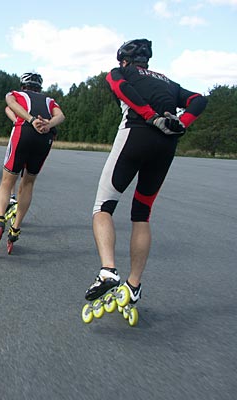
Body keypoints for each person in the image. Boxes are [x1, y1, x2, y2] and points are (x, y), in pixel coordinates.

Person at [84, 39, 208, 306]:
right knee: (142, 214)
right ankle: (134, 285)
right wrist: (181, 122)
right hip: (166, 144)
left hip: (136, 134)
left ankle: (108, 271)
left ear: (124, 60)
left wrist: (150, 116)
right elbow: (199, 99)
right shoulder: (168, 82)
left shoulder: (121, 71)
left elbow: (121, 87)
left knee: (103, 207)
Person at [0, 72, 65, 245]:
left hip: (24, 131)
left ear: (23, 86)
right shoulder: (50, 100)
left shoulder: (15, 94)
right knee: (29, 183)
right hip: (44, 138)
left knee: (7, 182)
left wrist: (31, 120)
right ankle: (15, 228)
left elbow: (10, 105)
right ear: (40, 87)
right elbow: (61, 116)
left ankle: (0, 218)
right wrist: (48, 124)